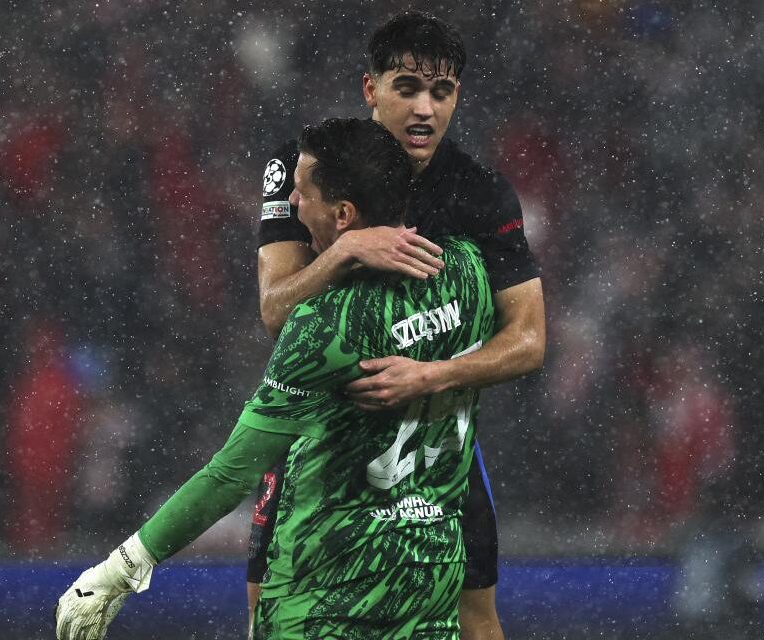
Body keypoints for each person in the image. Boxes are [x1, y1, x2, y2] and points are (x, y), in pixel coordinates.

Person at [56, 117, 497, 639]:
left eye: (302, 191)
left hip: (324, 601)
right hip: (429, 590)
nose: (290, 202)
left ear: (344, 215)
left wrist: (116, 572)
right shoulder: (468, 272)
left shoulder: (325, 325)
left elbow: (229, 475)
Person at [251, 11, 546, 639]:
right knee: (267, 604)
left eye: (441, 92)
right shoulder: (303, 167)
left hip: (430, 441)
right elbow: (277, 312)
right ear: (370, 89)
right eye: (406, 86)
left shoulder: (479, 193)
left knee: (475, 618)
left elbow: (529, 340)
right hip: (317, 437)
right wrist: (345, 250)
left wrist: (430, 374)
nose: (424, 109)